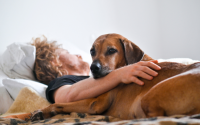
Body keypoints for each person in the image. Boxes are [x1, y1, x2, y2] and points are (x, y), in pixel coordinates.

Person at [32, 37, 161, 104]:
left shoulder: (96, 75)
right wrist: (120, 74)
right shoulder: (60, 82)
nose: (79, 55)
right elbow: (65, 96)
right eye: (68, 53)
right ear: (54, 60)